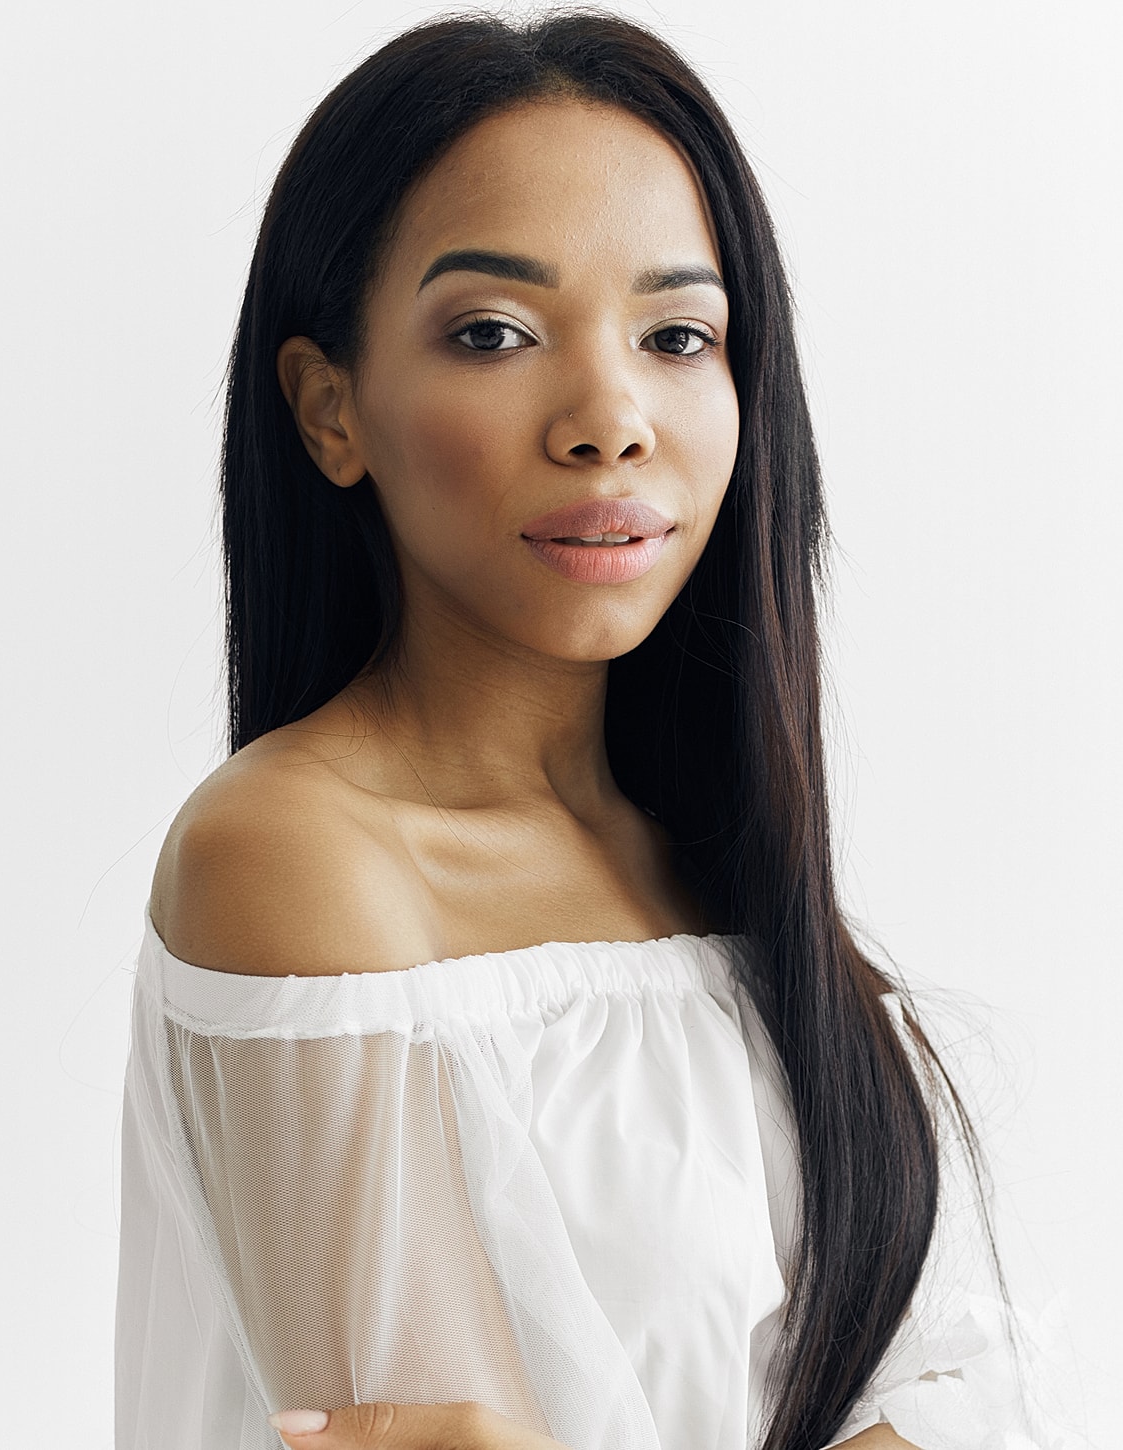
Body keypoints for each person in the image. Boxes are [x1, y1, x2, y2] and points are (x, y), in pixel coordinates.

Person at [115, 12, 1048, 1450]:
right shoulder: (288, 854)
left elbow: (965, 1398)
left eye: (678, 334)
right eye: (493, 332)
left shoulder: (738, 878)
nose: (610, 416)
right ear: (328, 408)